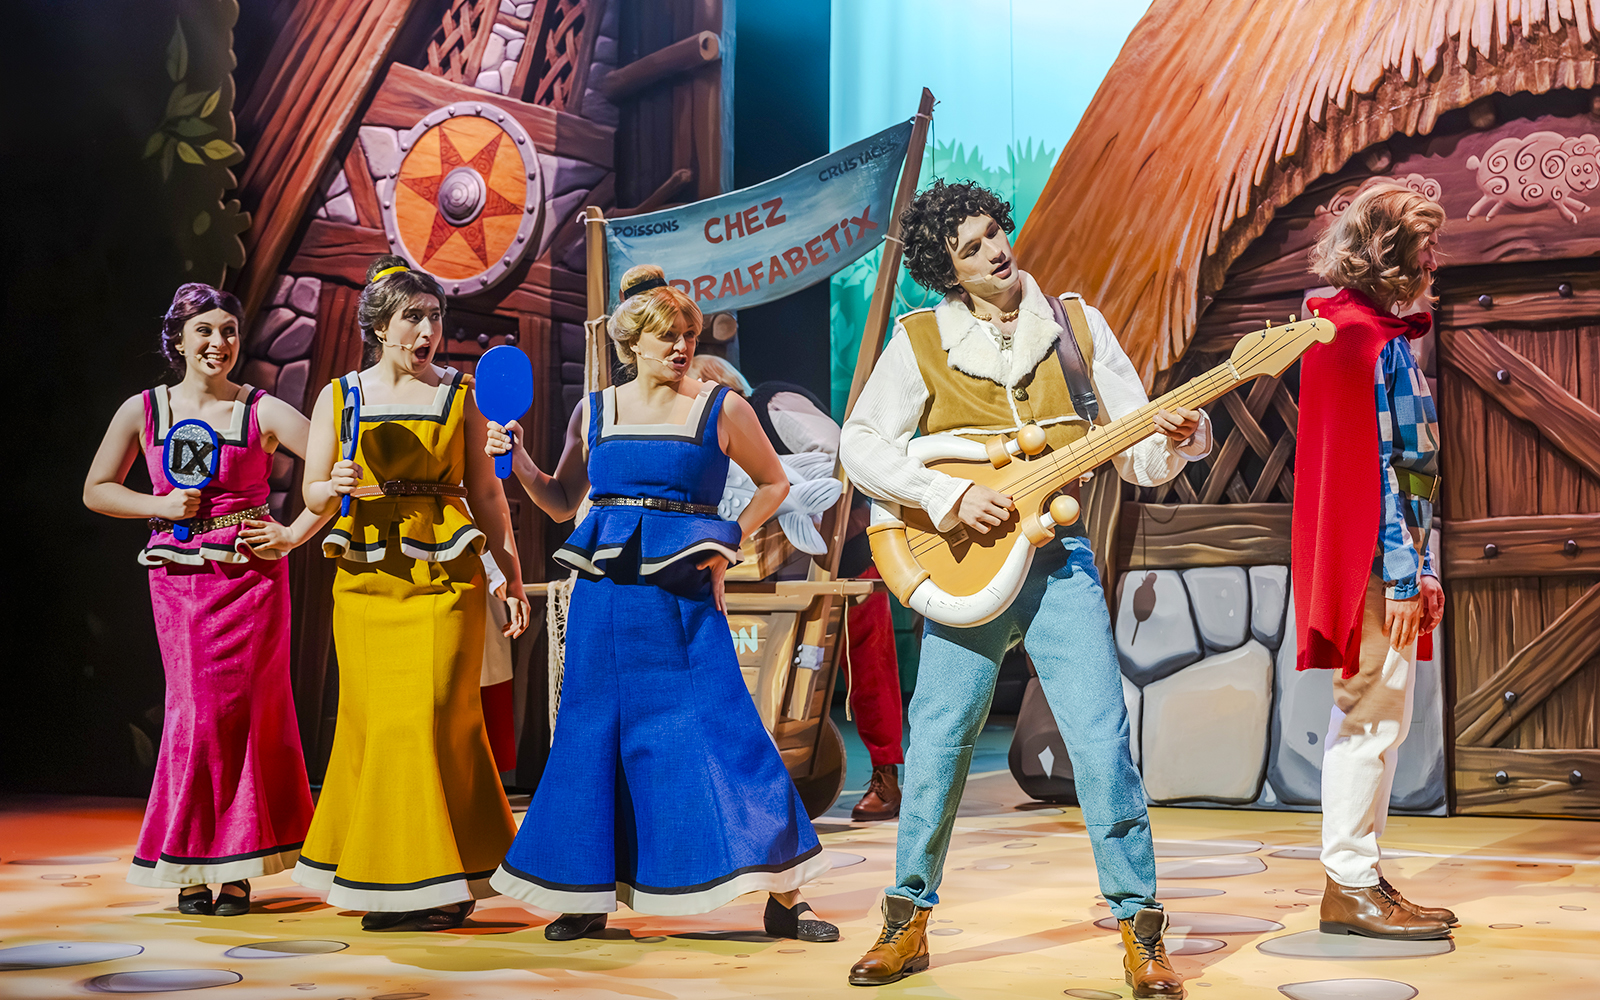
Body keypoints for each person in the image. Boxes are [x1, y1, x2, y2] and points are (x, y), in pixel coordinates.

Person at [838, 181, 1210, 996]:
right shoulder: (923, 339)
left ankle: (1141, 929)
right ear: (949, 269)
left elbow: (1138, 453)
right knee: (936, 747)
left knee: (1102, 744)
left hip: (1057, 561)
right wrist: (945, 496)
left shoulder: (1075, 328)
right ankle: (906, 922)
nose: (993, 251)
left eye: (993, 232)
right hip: (970, 564)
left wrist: (1178, 437)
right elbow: (858, 443)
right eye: (969, 247)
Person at [484, 264, 837, 942]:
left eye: (687, 334)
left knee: (727, 732)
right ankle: (585, 895)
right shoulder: (596, 411)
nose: (681, 346)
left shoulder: (720, 406)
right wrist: (522, 459)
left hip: (682, 599)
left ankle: (786, 895)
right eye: (667, 336)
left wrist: (728, 539)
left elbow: (772, 484)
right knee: (592, 738)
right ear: (632, 344)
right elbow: (561, 502)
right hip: (604, 601)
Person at [294, 255, 528, 931]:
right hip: (365, 578)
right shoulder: (340, 398)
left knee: (433, 716)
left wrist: (507, 575)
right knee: (377, 726)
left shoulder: (461, 396)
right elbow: (310, 490)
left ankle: (442, 880)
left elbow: (486, 492)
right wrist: (329, 486)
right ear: (378, 326)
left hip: (443, 576)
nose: (428, 329)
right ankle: (396, 881)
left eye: (435, 316)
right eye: (413, 317)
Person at [83, 283, 326, 916]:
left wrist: (292, 534)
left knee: (247, 715)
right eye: (206, 331)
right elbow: (97, 489)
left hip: (251, 578)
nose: (219, 343)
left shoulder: (261, 410)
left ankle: (240, 866)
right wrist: (157, 505)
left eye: (229, 332)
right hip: (180, 581)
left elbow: (333, 469)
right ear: (179, 339)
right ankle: (189, 861)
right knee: (195, 713)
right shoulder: (144, 410)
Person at [1298, 185, 1454, 940]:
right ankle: (1350, 883)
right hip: (1371, 564)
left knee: (1377, 718)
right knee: (1369, 718)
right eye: (1424, 249)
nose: (1435, 264)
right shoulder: (1358, 338)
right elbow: (1378, 472)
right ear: (1392, 254)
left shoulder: (1367, 332)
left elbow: (1408, 470)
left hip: (1387, 557)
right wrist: (1402, 572)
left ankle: (1361, 877)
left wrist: (1421, 568)